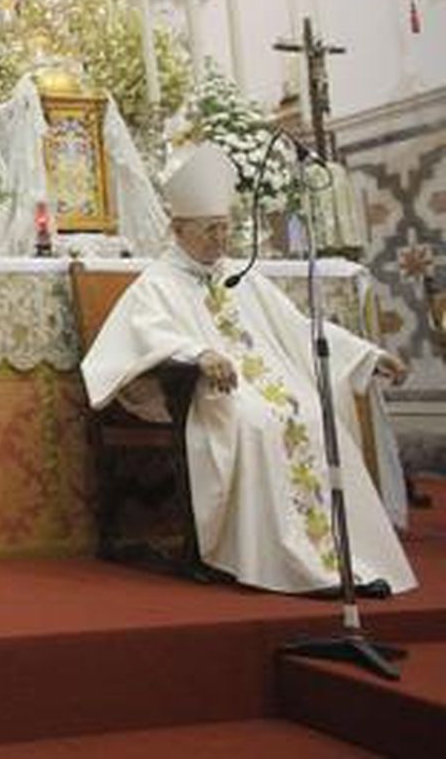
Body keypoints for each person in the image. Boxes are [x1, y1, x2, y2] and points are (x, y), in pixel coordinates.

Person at [80, 142, 416, 597]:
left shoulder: (242, 275)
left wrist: (367, 355)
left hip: (267, 389)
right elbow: (141, 336)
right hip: (209, 396)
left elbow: (299, 328)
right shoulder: (157, 284)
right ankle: (271, 559)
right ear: (178, 230)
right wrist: (197, 352)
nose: (221, 239)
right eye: (210, 230)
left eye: (226, 228)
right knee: (255, 422)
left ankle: (337, 559)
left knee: (316, 416)